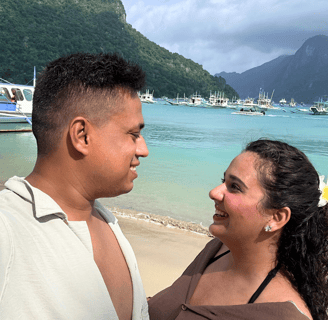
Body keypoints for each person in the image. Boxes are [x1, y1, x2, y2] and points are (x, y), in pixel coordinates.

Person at [0, 53, 150, 320]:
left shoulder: (105, 220)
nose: (144, 149)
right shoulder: (8, 230)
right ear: (82, 135)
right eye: (133, 134)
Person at [148, 139, 328, 320]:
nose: (214, 192)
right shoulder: (215, 250)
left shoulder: (283, 315)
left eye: (235, 187)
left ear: (276, 218)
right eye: (223, 180)